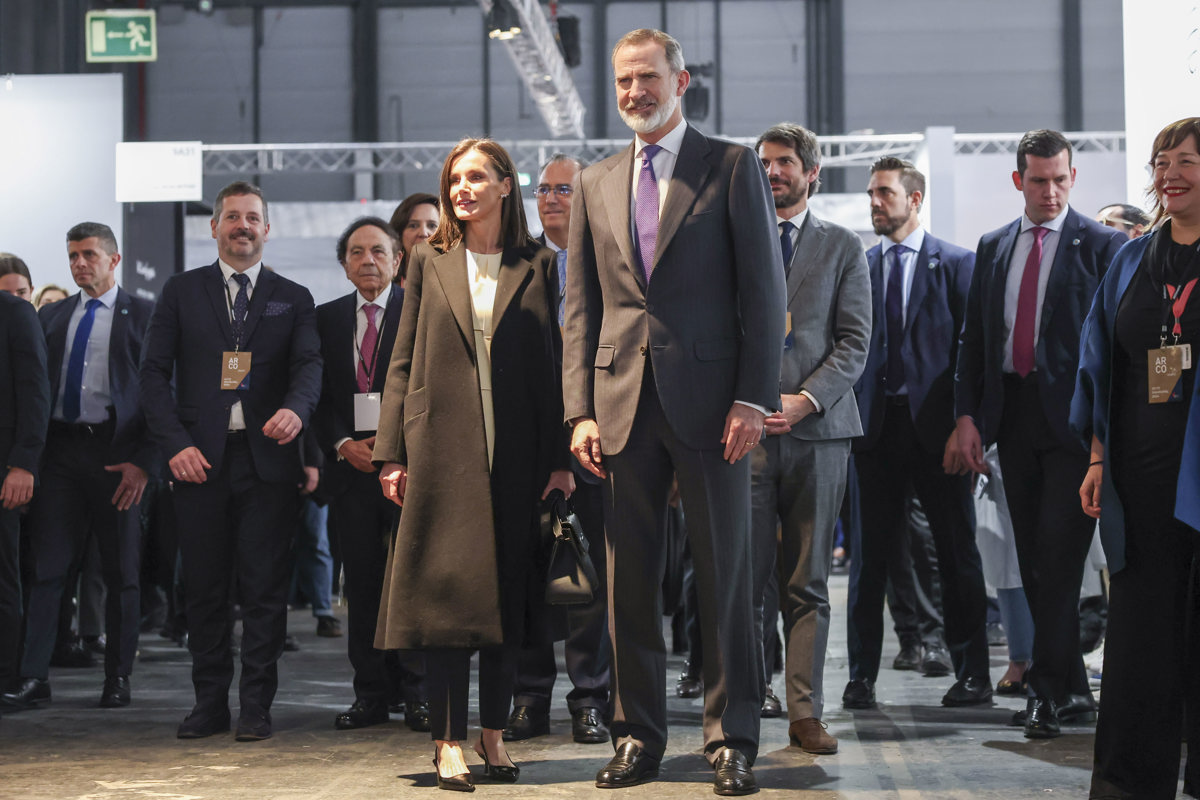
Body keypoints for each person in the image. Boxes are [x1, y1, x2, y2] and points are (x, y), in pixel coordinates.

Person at [563, 28, 785, 796]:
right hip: (620, 408)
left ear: (680, 79)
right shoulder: (595, 181)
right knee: (627, 587)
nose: (634, 93)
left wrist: (754, 397)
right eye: (623, 81)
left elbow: (765, 294)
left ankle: (733, 740)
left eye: (647, 78)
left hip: (715, 407)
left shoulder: (730, 164)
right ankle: (636, 737)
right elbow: (581, 309)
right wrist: (578, 413)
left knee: (724, 579)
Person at [373, 138, 572, 790]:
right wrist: (391, 454)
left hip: (516, 457)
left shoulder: (538, 263)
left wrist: (560, 459)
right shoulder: (429, 260)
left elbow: (552, 370)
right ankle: (448, 741)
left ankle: (493, 734)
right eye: (455, 179)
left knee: (507, 604)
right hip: (441, 455)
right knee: (448, 606)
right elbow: (401, 362)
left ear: (505, 186)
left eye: (476, 177)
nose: (461, 189)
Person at [955, 130, 1125, 738]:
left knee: (1057, 558)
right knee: (1033, 560)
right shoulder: (993, 246)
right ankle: (1074, 688)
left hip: (1076, 429)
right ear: (1018, 181)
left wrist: (1107, 435)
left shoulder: (1103, 246)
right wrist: (968, 416)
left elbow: (1112, 347)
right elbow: (974, 341)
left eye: (1060, 179)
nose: (1050, 191)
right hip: (1012, 421)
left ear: (1073, 178)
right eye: (1038, 180)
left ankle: (1045, 694)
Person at [140, 181, 323, 742]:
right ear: (214, 227)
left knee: (266, 592)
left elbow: (310, 367)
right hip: (199, 464)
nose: (242, 226)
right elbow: (151, 376)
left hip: (267, 465)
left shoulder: (293, 297)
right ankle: (209, 703)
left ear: (267, 229)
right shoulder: (180, 291)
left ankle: (256, 706)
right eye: (232, 218)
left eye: (253, 218)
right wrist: (175, 445)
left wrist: (296, 409)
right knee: (205, 590)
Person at [1072, 117, 1200, 799]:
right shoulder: (1130, 259)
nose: (1168, 174)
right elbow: (1102, 367)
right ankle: (1127, 783)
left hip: (1197, 476)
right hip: (1142, 482)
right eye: (1161, 162)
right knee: (1139, 646)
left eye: (1185, 161)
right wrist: (1097, 459)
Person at [847, 157, 991, 710]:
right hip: (874, 435)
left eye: (884, 193)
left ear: (915, 198)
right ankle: (861, 677)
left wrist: (966, 421)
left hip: (941, 437)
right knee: (868, 563)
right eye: (871, 194)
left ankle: (973, 673)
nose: (875, 203)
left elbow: (971, 351)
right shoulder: (859, 267)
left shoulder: (957, 265)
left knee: (957, 556)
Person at [748, 122, 870, 755]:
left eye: (785, 162)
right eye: (765, 162)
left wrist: (803, 401)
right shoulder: (733, 240)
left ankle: (805, 712)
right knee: (744, 581)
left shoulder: (844, 245)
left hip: (819, 432)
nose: (773, 172)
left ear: (812, 172)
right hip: (744, 433)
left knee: (808, 582)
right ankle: (741, 709)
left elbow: (855, 343)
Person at [1, 222, 156, 712]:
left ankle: (118, 676)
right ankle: (33, 677)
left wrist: (144, 462)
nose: (79, 264)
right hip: (61, 453)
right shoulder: (52, 316)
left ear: (113, 258)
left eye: (89, 254)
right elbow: (33, 389)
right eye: (72, 256)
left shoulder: (145, 317)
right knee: (47, 570)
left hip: (118, 455)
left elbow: (161, 395)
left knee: (120, 572)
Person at [504, 154, 612, 746]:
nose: (549, 198)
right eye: (541, 188)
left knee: (588, 580)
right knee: (527, 579)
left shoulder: (609, 261)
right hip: (527, 447)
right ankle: (529, 695)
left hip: (598, 445)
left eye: (563, 188)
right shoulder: (518, 267)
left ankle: (591, 698)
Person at [314, 216, 428, 733]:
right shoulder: (325, 319)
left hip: (408, 470)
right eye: (357, 252)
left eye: (379, 251)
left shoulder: (418, 313)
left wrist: (393, 450)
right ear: (343, 264)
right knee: (361, 587)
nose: (368, 261)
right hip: (350, 470)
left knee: (413, 583)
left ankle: (418, 692)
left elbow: (429, 390)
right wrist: (341, 443)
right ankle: (371, 694)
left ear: (397, 259)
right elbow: (314, 395)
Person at [0, 289, 50, 701]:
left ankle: (4, 677)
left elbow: (35, 391)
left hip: (5, 470)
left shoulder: (15, 313)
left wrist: (24, 463)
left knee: (3, 577)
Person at [388, 192, 439, 286]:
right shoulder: (384, 288)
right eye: (413, 226)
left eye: (432, 225)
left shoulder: (462, 285)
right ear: (399, 233)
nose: (423, 233)